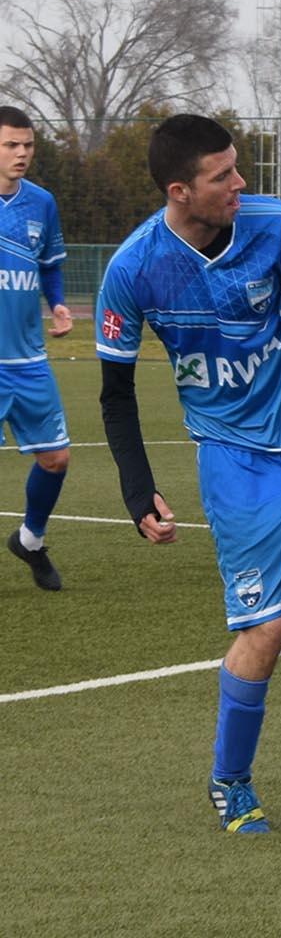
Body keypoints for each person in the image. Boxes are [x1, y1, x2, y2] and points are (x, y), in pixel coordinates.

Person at [96, 114, 281, 833]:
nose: (240, 183)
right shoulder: (134, 268)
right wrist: (138, 489)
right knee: (262, 632)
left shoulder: (277, 227)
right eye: (222, 175)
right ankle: (230, 780)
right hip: (235, 460)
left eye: (237, 167)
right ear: (180, 190)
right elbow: (115, 393)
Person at [0, 106, 72, 592]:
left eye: (27, 145)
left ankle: (30, 539)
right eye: (11, 144)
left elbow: (50, 265)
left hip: (28, 360)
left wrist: (59, 303)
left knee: (56, 459)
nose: (22, 153)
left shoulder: (41, 202)